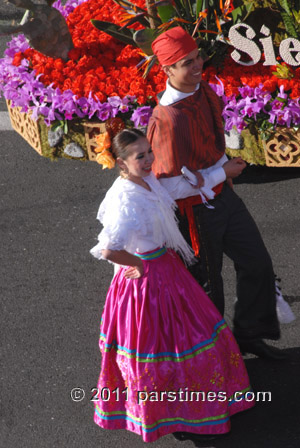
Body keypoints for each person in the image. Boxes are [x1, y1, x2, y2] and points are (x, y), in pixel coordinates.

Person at [90, 128, 254, 444]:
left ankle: (184, 408)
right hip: (147, 284)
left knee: (186, 339)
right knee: (165, 348)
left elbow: (177, 187)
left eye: (149, 151)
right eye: (141, 156)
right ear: (121, 163)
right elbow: (109, 248)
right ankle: (174, 413)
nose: (150, 159)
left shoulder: (146, 180)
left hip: (167, 271)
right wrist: (137, 264)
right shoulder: (124, 199)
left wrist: (221, 172)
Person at [147, 26, 286, 360]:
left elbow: (210, 144)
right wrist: (220, 173)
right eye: (185, 63)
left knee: (257, 263)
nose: (196, 66)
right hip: (194, 212)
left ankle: (249, 334)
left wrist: (223, 170)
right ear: (166, 70)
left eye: (197, 57)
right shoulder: (165, 119)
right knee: (209, 287)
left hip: (224, 197)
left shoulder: (203, 90)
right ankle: (212, 359)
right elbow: (168, 185)